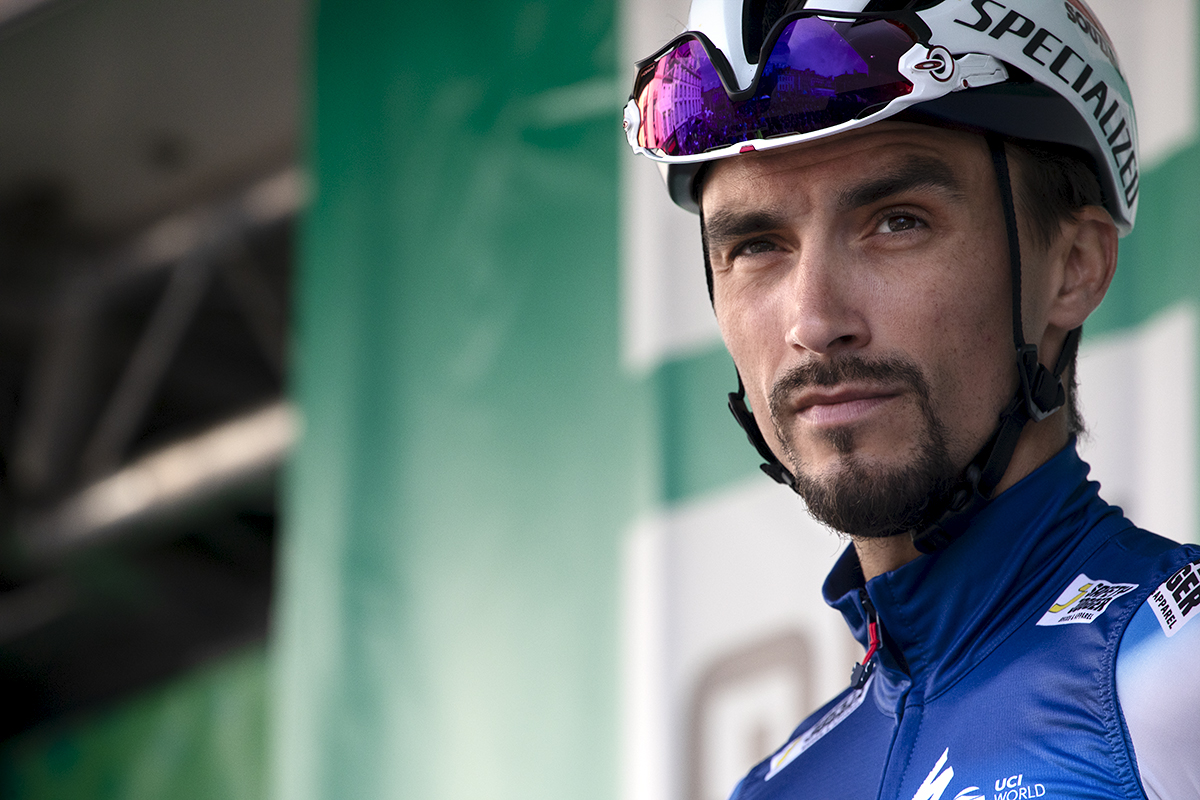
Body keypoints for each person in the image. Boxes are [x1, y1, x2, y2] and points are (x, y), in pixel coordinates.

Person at [623, 1, 1200, 798]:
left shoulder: (1181, 670)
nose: (814, 323)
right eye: (756, 245)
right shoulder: (771, 788)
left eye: (897, 222)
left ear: (1073, 267)